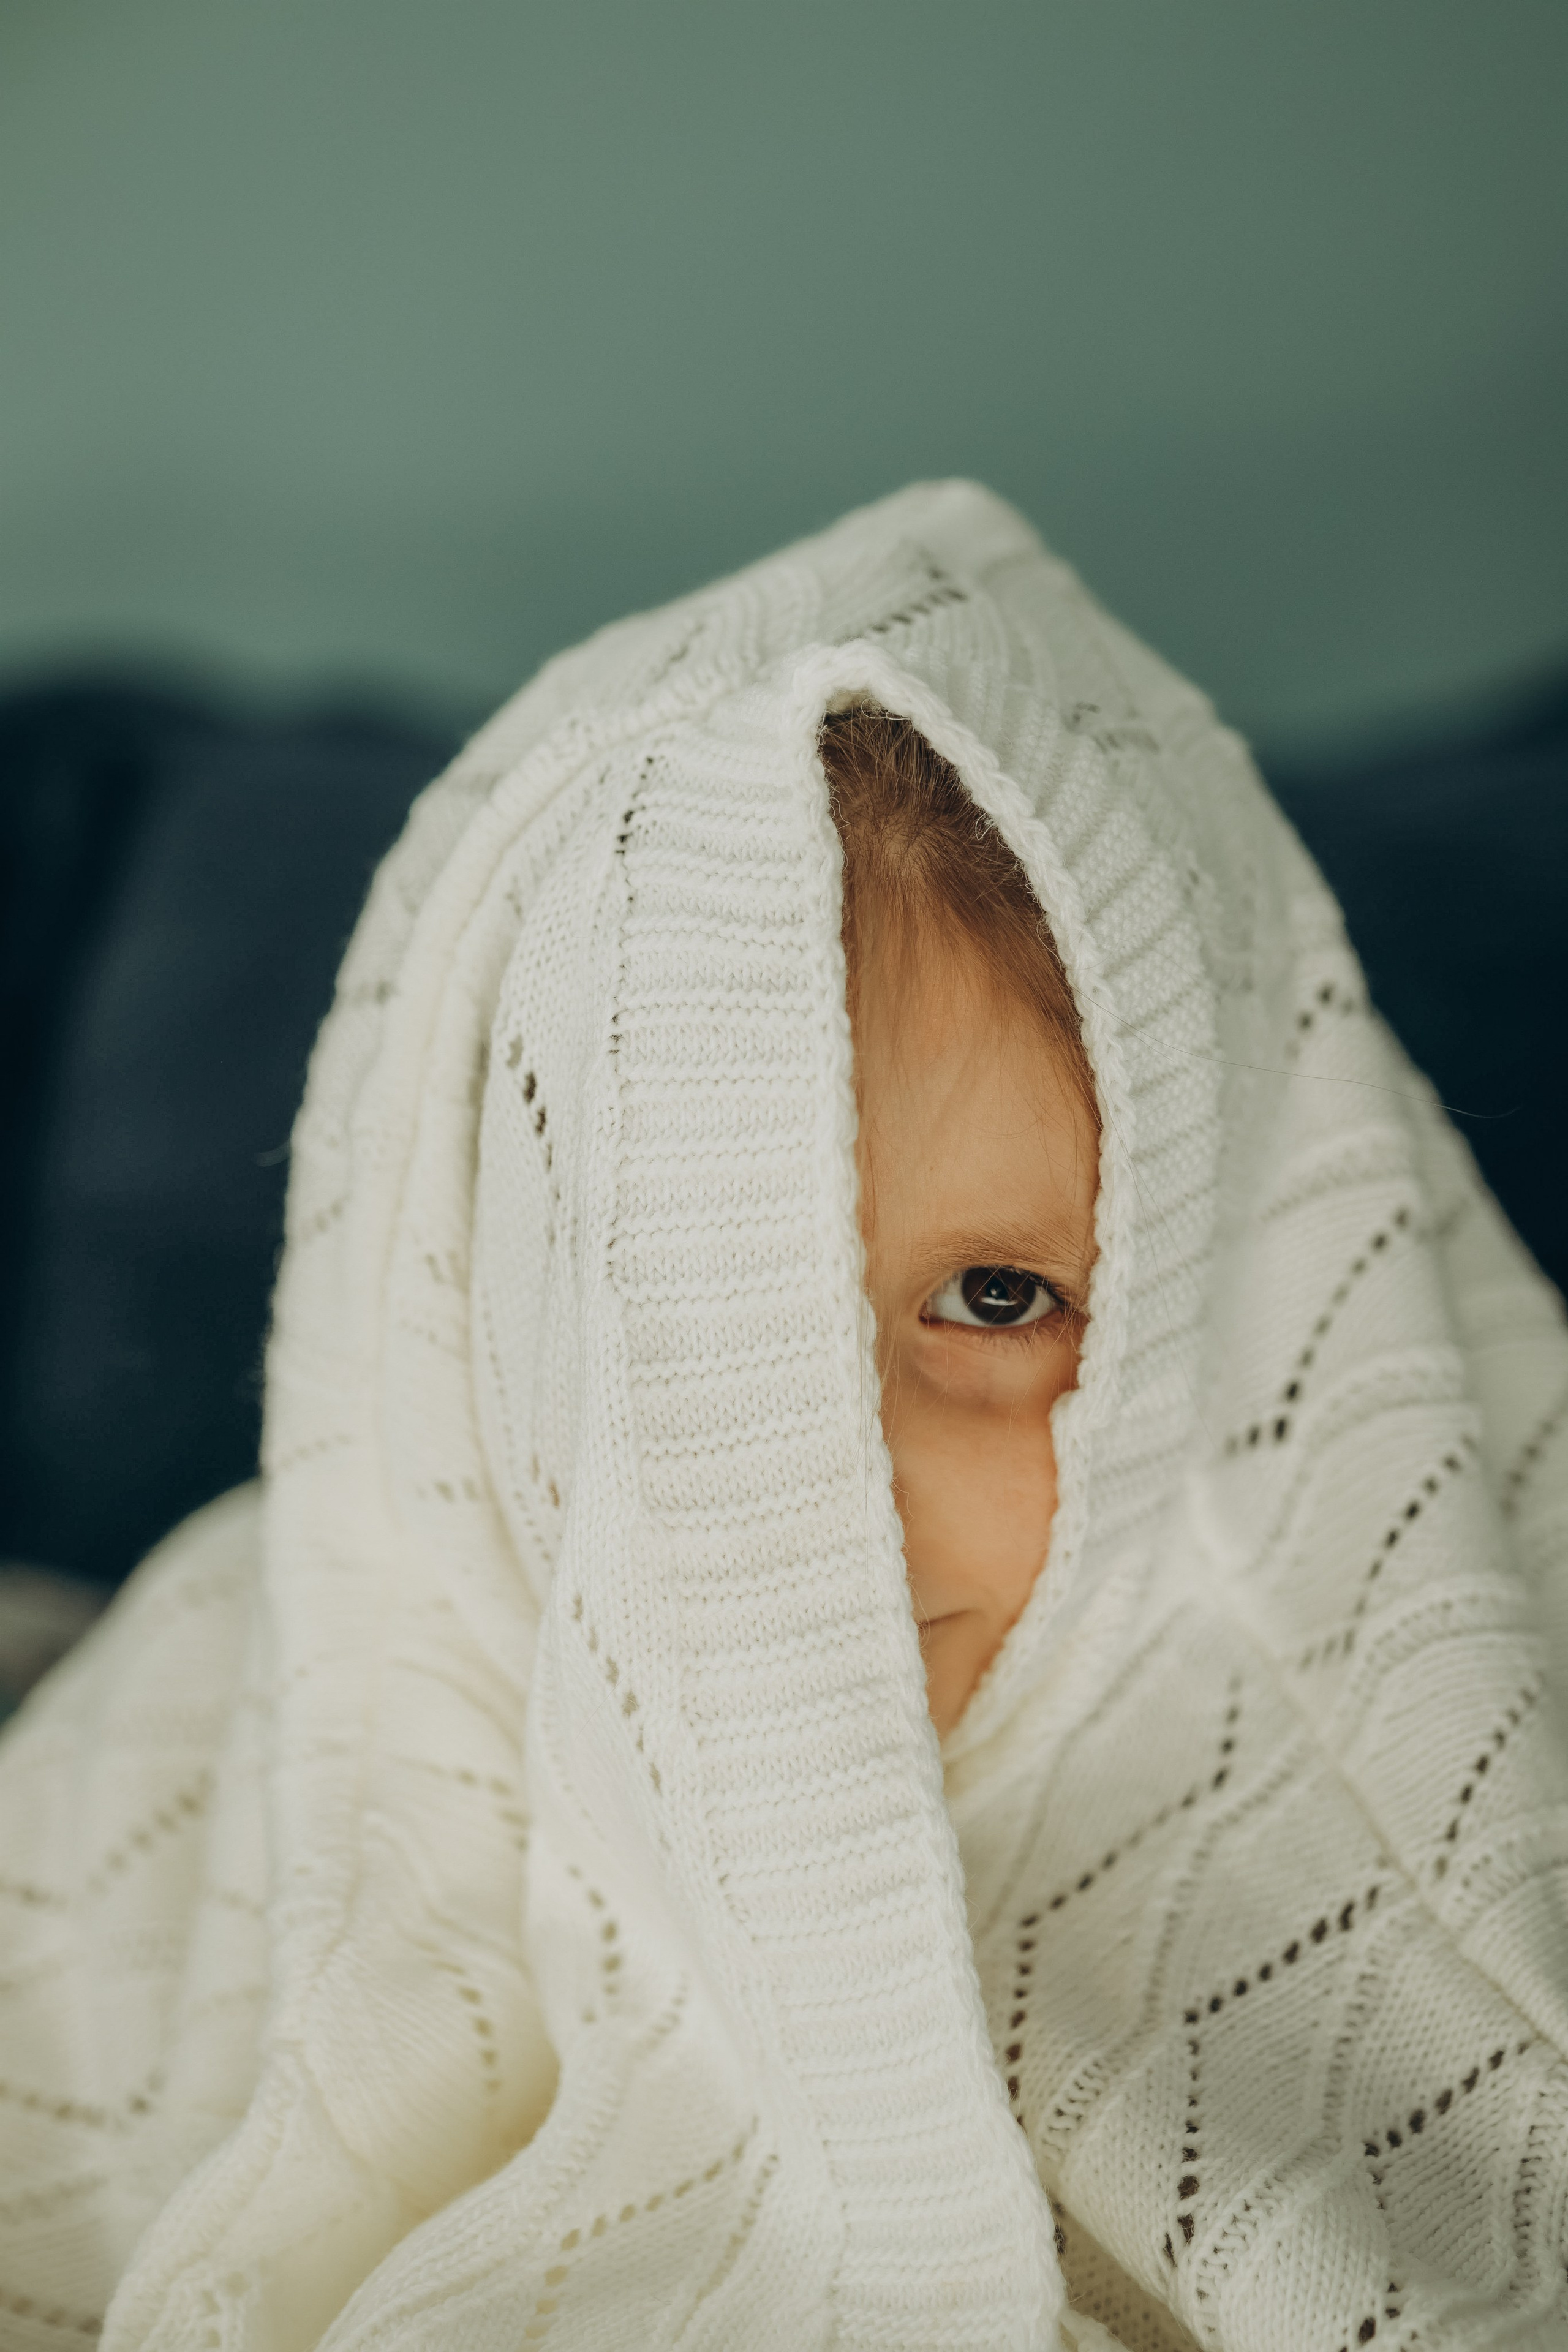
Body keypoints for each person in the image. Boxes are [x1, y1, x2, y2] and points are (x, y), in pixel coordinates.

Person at [1, 483, 1565, 2352]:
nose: (821, 1476)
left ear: (1215, 1333)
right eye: (692, 1308)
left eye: (996, 1299)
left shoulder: (1437, 1808)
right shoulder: (204, 1744)